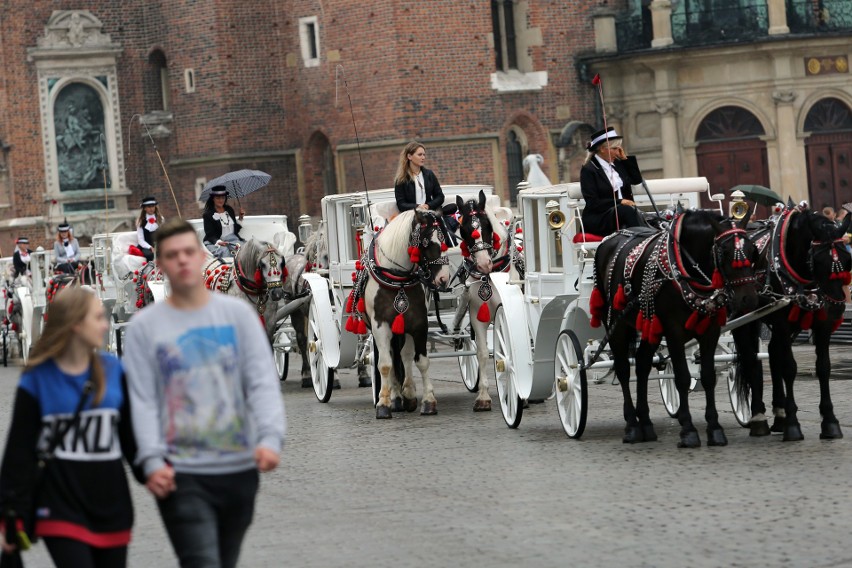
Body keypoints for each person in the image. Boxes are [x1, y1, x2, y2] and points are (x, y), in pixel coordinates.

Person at [123, 219, 285, 568]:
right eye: (171, 255)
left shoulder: (238, 315)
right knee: (201, 561)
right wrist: (151, 460)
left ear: (201, 257)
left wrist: (271, 437)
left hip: (239, 469)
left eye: (188, 252)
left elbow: (261, 382)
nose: (181, 260)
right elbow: (142, 400)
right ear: (161, 263)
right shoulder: (143, 329)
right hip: (180, 473)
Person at [0, 286, 137, 568]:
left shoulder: (114, 370)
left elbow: (132, 440)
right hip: (59, 507)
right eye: (97, 317)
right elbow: (19, 451)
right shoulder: (38, 378)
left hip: (111, 504)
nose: (105, 324)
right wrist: (9, 515)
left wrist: (157, 473)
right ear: (75, 324)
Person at [579, 127, 645, 236]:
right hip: (600, 217)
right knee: (627, 211)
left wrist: (625, 160)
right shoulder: (589, 169)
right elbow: (593, 202)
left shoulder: (618, 165)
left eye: (619, 148)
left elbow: (636, 180)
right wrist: (620, 202)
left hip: (622, 214)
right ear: (602, 149)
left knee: (650, 218)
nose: (618, 152)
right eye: (614, 148)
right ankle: (641, 240)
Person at [394, 141, 445, 213]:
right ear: (409, 156)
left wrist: (428, 205)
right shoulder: (401, 179)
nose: (423, 157)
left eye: (424, 155)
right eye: (420, 155)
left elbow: (440, 196)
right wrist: (417, 206)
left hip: (429, 212)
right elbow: (401, 204)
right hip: (412, 214)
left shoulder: (429, 174)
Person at [202, 187, 245, 259]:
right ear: (213, 199)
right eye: (218, 198)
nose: (221, 200)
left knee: (246, 250)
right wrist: (219, 242)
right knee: (228, 253)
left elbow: (235, 230)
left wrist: (241, 217)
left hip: (233, 241)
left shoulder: (229, 210)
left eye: (223, 198)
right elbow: (210, 234)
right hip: (217, 243)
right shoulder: (208, 215)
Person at [136, 196, 164, 262]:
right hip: (146, 246)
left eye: (153, 206)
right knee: (149, 254)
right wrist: (150, 247)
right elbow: (140, 240)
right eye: (149, 207)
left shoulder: (161, 219)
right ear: (145, 208)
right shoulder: (140, 221)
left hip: (159, 244)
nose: (151, 209)